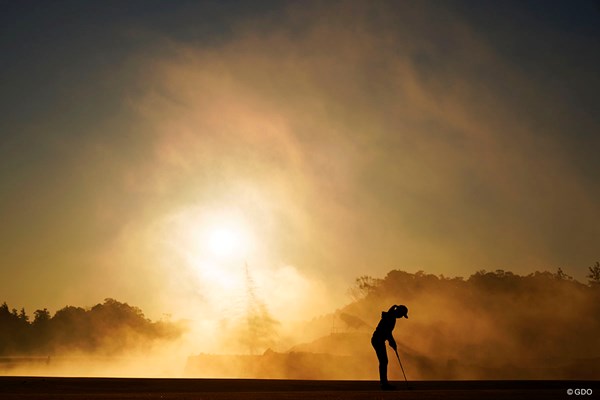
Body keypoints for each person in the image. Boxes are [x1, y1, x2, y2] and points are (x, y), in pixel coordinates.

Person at [371, 304, 408, 390]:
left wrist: (392, 342)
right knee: (384, 361)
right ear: (399, 312)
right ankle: (384, 384)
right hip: (378, 340)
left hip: (379, 340)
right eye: (402, 315)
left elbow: (388, 333)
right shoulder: (390, 318)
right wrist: (392, 342)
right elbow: (387, 332)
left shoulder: (390, 316)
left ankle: (384, 383)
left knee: (384, 361)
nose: (401, 317)